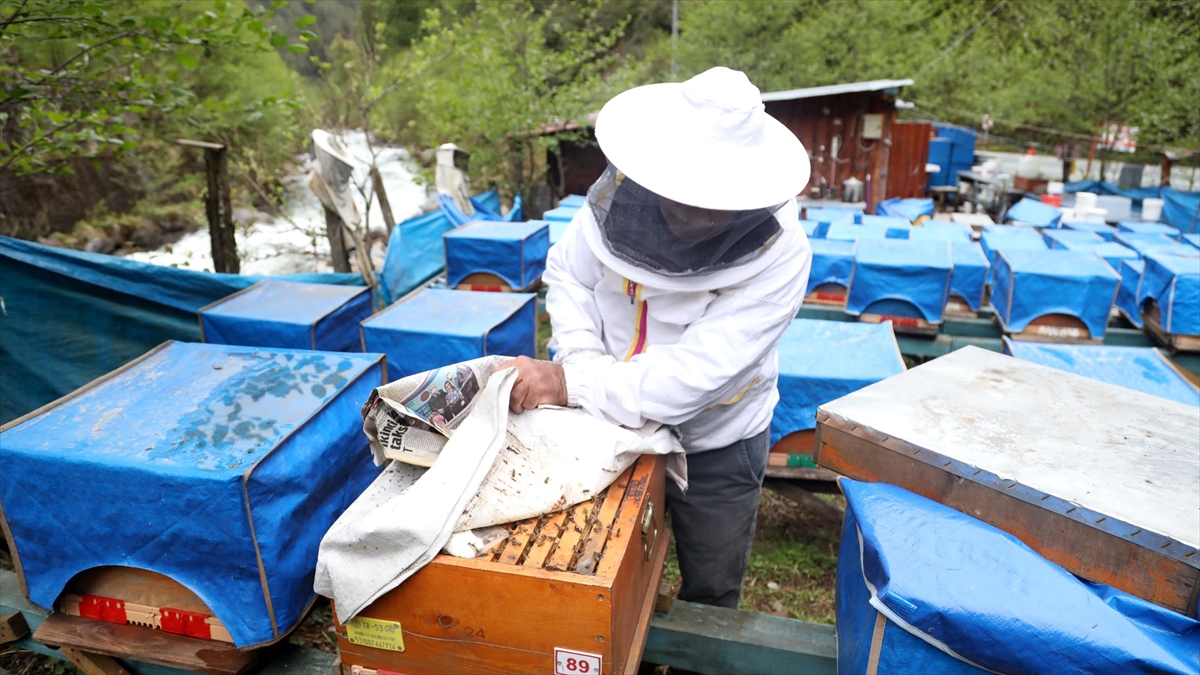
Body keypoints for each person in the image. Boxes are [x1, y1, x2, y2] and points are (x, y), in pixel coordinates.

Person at [499, 67, 812, 610]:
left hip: (716, 437)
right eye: (682, 194)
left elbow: (693, 377)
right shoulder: (616, 202)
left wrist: (568, 381)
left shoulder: (782, 253)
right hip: (598, 418)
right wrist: (580, 359)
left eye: (713, 201)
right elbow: (569, 275)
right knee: (599, 563)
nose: (692, 215)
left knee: (711, 589)